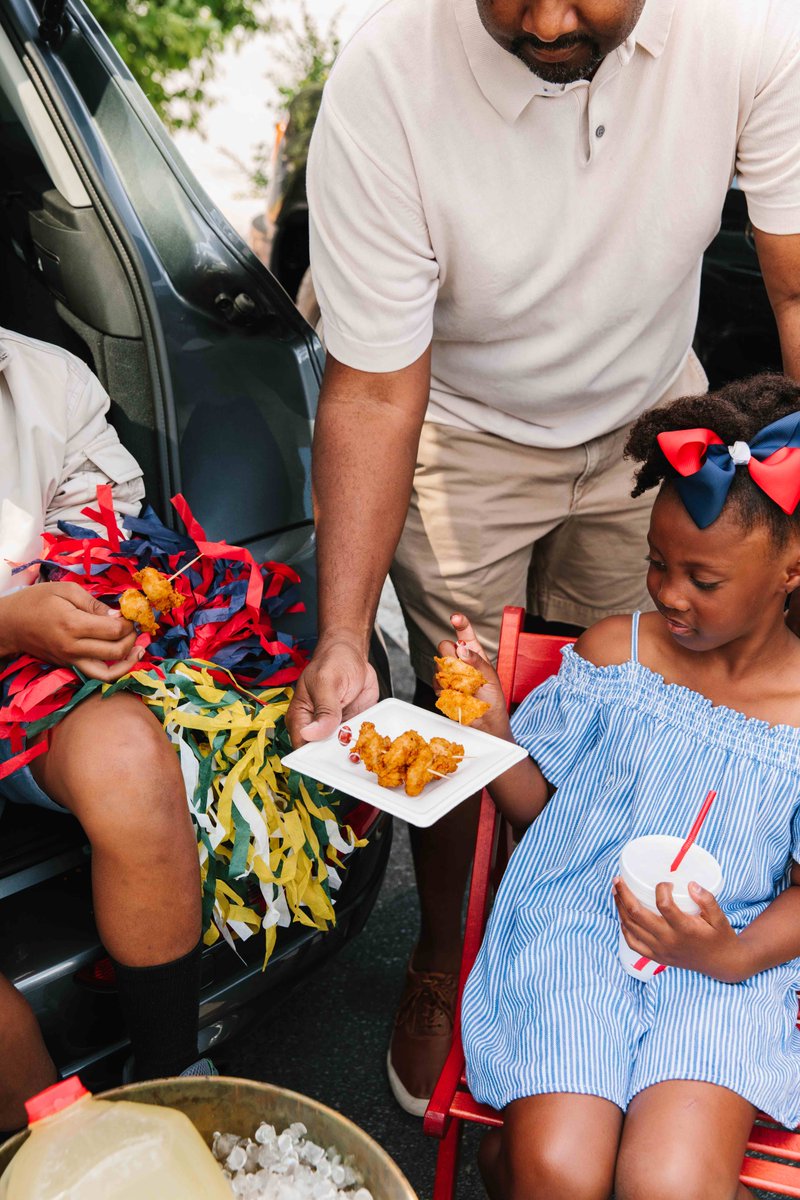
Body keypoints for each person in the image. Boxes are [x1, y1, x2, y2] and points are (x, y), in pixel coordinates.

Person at [287, 0, 800, 1113]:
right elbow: (372, 391)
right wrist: (343, 637)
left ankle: (617, 965)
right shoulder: (387, 79)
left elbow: (795, 287)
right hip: (453, 427)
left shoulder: (753, 33)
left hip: (654, 431)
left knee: (641, 720)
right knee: (462, 707)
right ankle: (444, 950)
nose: (548, 19)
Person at [453, 373, 800, 1200]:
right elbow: (544, 816)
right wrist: (493, 730)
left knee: (668, 1182)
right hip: (574, 929)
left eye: (703, 581)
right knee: (562, 1171)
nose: (669, 593)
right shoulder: (617, 655)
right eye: (656, 563)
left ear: (793, 569)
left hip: (724, 956)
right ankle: (515, 1162)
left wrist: (729, 954)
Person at [0, 327, 206, 1129]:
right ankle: (58, 1145)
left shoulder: (46, 380)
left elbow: (106, 527)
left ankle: (170, 1080)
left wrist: (89, 605)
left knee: (127, 755)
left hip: (20, 687)